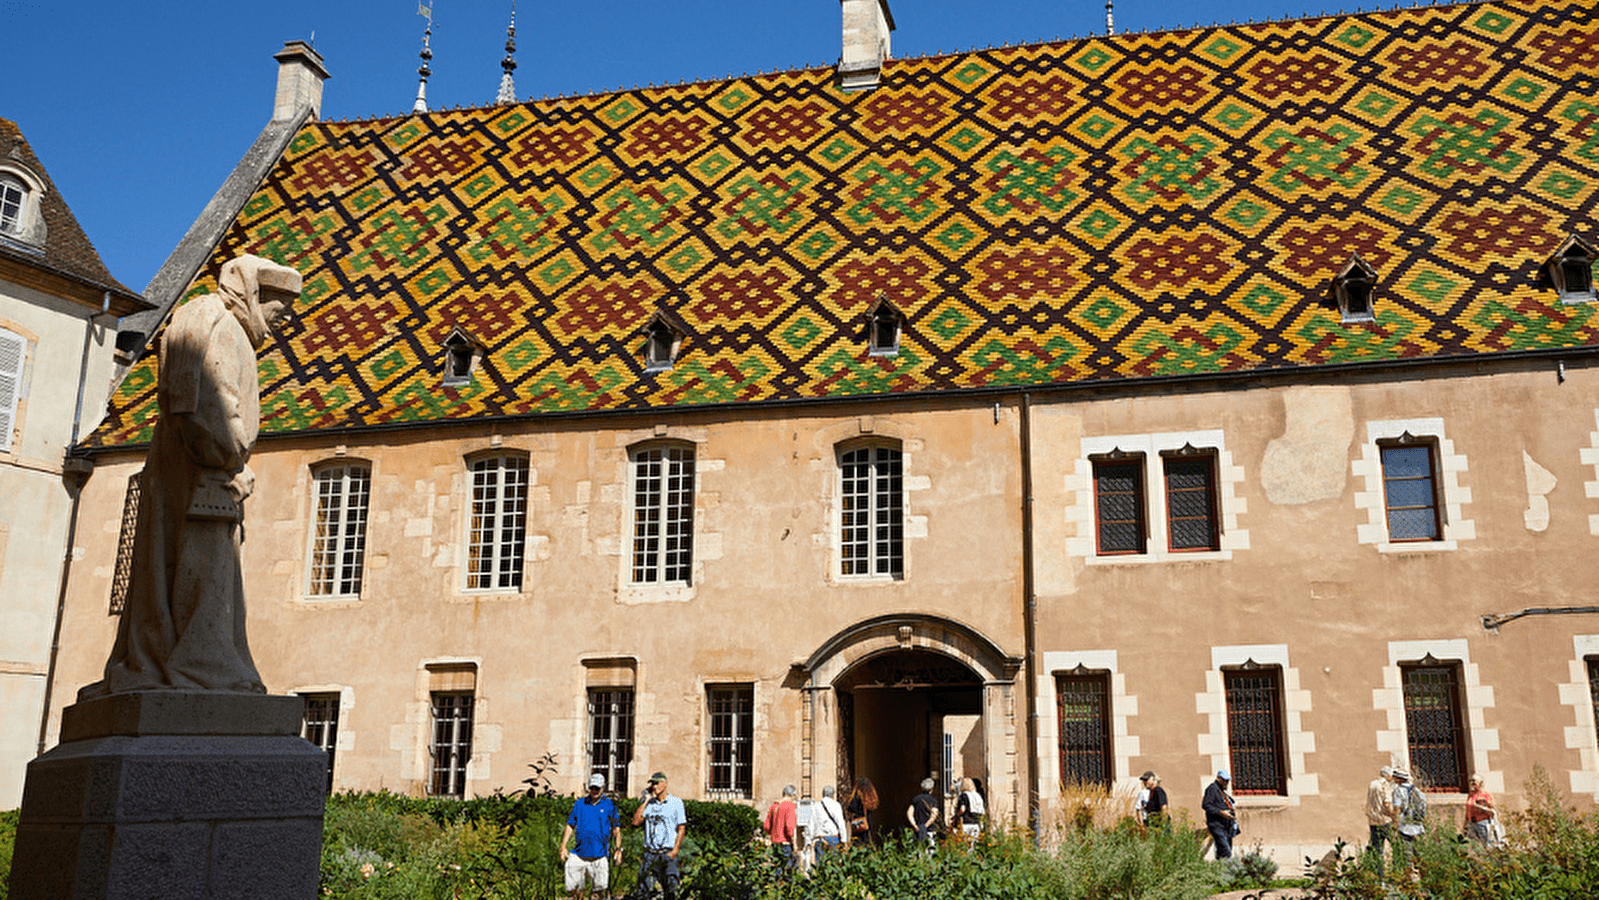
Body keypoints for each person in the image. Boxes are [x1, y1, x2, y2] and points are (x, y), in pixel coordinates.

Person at [80, 255, 302, 699]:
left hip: (196, 468)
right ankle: (204, 668)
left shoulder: (216, 321)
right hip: (202, 475)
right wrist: (231, 463)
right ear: (257, 294)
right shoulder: (211, 318)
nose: (280, 323)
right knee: (204, 573)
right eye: (279, 310)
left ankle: (200, 662)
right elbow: (203, 402)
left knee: (199, 572)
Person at [560, 773, 622, 899]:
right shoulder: (579, 804)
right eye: (592, 787)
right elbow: (570, 825)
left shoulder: (610, 805)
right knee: (574, 889)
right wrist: (563, 846)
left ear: (603, 788)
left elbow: (616, 830)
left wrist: (618, 850)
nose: (594, 791)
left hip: (600, 855)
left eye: (597, 788)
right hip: (579, 853)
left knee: (597, 893)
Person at [631, 771, 687, 900]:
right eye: (652, 784)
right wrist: (645, 801)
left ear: (665, 784)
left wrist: (675, 850)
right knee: (643, 889)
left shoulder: (676, 803)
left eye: (657, 784)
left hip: (667, 852)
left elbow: (681, 828)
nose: (654, 787)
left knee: (670, 888)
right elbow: (635, 822)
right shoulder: (649, 804)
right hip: (650, 853)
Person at [1391, 768, 1427, 874]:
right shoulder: (1418, 791)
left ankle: (1410, 878)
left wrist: (1395, 826)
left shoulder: (1398, 791)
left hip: (1404, 826)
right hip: (1417, 825)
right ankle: (1423, 875)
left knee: (1407, 853)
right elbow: (1423, 808)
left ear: (1398, 779)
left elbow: (1397, 808)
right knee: (1419, 853)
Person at [1364, 766, 1396, 876]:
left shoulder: (1372, 784)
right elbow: (1386, 803)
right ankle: (1396, 873)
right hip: (1384, 820)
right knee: (1397, 846)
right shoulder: (1385, 785)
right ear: (1387, 775)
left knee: (1377, 849)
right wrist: (1393, 815)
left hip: (1373, 820)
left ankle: (1379, 876)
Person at [762, 784, 798, 875]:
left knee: (777, 870)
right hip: (785, 843)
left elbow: (766, 826)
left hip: (775, 843)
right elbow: (790, 827)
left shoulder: (774, 805)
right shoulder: (790, 805)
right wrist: (795, 844)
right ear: (792, 795)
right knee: (788, 872)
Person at [1202, 770, 1238, 859]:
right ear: (1218, 779)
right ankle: (1229, 870)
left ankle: (1220, 869)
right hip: (1217, 825)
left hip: (1226, 825)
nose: (1226, 783)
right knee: (1226, 851)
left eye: (1227, 781)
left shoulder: (1221, 791)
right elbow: (1206, 805)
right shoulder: (1212, 789)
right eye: (1224, 780)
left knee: (1224, 850)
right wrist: (1221, 812)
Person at [811, 784, 849, 864]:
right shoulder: (836, 805)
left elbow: (811, 823)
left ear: (823, 794)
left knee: (821, 866)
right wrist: (844, 840)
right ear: (832, 795)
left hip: (820, 838)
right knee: (833, 865)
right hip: (833, 838)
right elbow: (840, 823)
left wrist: (811, 839)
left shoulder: (815, 806)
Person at [907, 777, 941, 851]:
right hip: (929, 830)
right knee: (929, 850)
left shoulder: (916, 799)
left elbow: (909, 813)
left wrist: (915, 825)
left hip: (917, 830)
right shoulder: (933, 800)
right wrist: (925, 826)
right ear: (932, 788)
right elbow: (934, 816)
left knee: (917, 850)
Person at [1465, 774, 1496, 847]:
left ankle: (1489, 857)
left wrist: (1479, 806)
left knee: (1487, 844)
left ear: (1481, 783)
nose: (1472, 782)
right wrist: (1465, 822)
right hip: (1471, 823)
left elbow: (1492, 808)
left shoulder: (1486, 794)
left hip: (1482, 822)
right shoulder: (1471, 794)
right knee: (1473, 844)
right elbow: (1468, 809)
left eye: (1474, 781)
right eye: (1471, 780)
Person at [846, 776, 878, 846]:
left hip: (857, 830)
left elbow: (850, 809)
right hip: (866, 829)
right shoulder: (869, 801)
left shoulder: (855, 799)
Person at [952, 777, 985, 845]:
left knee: (965, 844)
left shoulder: (964, 795)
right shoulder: (977, 796)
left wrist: (957, 815)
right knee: (974, 845)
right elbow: (982, 812)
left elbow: (962, 809)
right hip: (975, 822)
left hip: (966, 823)